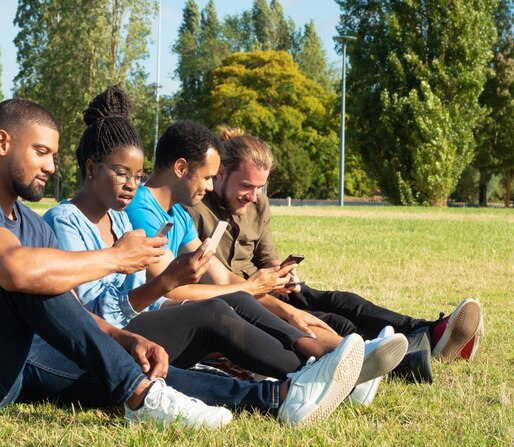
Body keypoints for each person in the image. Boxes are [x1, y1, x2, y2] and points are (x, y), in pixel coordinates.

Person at [0, 97, 368, 428]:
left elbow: (69, 307)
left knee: (123, 363)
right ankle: (141, 398)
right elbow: (18, 275)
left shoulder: (32, 224)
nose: (51, 167)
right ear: (1, 143)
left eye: (53, 156)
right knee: (28, 280)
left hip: (14, 367)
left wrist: (126, 337)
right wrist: (116, 259)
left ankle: (279, 397)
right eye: (41, 152)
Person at [42, 86, 405, 389]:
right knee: (218, 309)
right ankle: (313, 374)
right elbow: (88, 316)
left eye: (137, 176)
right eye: (123, 173)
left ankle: (329, 358)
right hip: (113, 339)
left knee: (246, 303)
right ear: (92, 169)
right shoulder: (69, 222)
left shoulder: (122, 221)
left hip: (145, 321)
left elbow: (196, 283)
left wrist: (247, 292)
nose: (132, 185)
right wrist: (176, 283)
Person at [124, 119, 409, 404]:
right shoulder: (141, 209)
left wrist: (285, 311)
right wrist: (251, 289)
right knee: (226, 306)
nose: (211, 186)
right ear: (181, 168)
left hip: (168, 314)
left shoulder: (178, 215)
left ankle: (336, 361)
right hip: (144, 323)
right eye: (208, 177)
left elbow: (221, 277)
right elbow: (169, 289)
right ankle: (322, 370)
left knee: (262, 304)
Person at [184, 127, 484, 384]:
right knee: (328, 321)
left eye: (260, 187)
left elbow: (267, 257)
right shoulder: (196, 208)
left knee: (343, 301)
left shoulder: (258, 203)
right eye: (246, 186)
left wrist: (282, 273)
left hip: (267, 286)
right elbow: (219, 281)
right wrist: (261, 287)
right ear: (221, 174)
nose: (253, 196)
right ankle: (407, 358)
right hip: (244, 296)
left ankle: (429, 331)